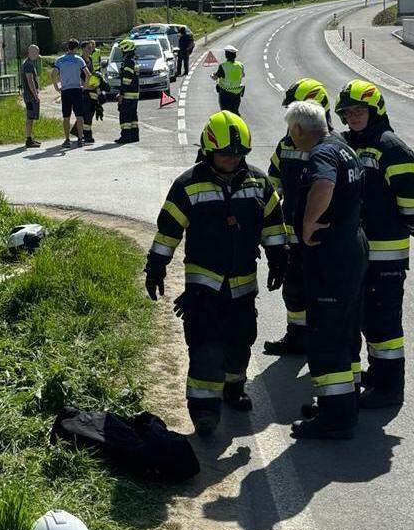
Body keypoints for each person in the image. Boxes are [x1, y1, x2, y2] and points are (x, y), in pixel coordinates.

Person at [144, 111, 286, 435]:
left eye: (238, 154)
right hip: (203, 290)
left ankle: (233, 388)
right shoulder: (187, 185)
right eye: (225, 154)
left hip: (243, 287)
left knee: (241, 342)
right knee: (206, 347)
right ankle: (204, 411)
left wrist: (280, 259)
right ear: (209, 150)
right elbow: (168, 232)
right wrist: (155, 267)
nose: (232, 159)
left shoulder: (258, 182)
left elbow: (274, 225)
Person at [336, 80, 414, 408]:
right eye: (348, 113)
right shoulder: (347, 145)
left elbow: (413, 193)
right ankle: (378, 375)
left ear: (374, 110)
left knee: (384, 323)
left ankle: (390, 389)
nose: (354, 117)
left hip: (386, 255)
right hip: (358, 254)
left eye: (359, 111)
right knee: (366, 319)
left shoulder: (391, 147)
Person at [283, 100, 367, 439]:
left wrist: (308, 223)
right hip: (352, 250)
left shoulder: (321, 155)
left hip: (331, 257)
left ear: (300, 129)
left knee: (327, 336)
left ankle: (335, 419)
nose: (291, 138)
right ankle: (343, 402)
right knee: (345, 331)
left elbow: (323, 186)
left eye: (291, 131)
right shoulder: (344, 148)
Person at [264, 78, 333, 356]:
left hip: (324, 241)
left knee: (324, 296)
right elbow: (273, 181)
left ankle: (323, 343)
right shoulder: (286, 145)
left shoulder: (333, 146)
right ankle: (296, 337)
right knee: (293, 291)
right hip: (293, 236)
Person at [50, 38, 89, 148]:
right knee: (79, 116)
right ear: (76, 48)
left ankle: (67, 140)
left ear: (68, 47)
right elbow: (88, 74)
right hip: (77, 90)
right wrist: (84, 87)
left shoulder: (60, 60)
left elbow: (53, 74)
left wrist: (57, 87)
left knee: (66, 117)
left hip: (65, 91)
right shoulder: (79, 60)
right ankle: (80, 139)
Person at [115, 39, 139, 144]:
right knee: (133, 117)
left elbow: (126, 81)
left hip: (128, 95)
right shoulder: (134, 61)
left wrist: (121, 94)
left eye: (122, 50)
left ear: (126, 49)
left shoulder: (128, 62)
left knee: (124, 116)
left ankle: (125, 137)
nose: (121, 52)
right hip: (135, 94)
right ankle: (134, 136)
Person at [212, 45, 245, 116]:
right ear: (235, 56)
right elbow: (243, 75)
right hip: (237, 94)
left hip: (225, 94)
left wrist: (212, 75)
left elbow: (215, 77)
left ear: (226, 55)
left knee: (225, 113)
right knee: (235, 112)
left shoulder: (223, 66)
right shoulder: (240, 65)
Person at [21, 44, 42, 148]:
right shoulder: (28, 64)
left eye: (37, 52)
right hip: (30, 96)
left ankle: (30, 138)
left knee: (31, 117)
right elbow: (30, 80)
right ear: (30, 52)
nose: (37, 54)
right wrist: (35, 95)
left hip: (29, 95)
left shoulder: (28, 62)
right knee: (30, 117)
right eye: (35, 52)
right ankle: (28, 140)